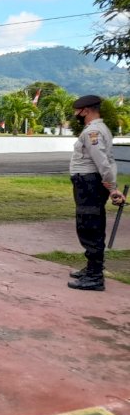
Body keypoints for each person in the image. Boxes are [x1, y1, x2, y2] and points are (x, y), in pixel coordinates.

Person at [67, 95, 126, 291]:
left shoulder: (93, 131)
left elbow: (103, 163)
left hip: (89, 184)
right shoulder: (98, 129)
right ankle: (91, 268)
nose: (76, 114)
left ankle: (95, 276)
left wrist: (112, 188)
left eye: (78, 111)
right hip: (88, 183)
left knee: (89, 226)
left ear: (86, 110)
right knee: (89, 225)